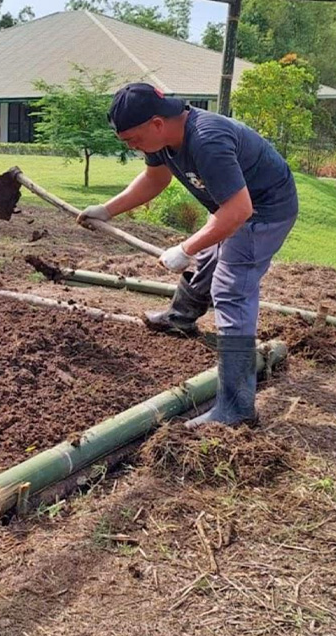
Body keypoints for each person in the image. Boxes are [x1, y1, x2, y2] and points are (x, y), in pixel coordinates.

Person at [77, 83, 298, 427]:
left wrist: (185, 248)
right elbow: (155, 180)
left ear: (156, 123)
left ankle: (237, 408)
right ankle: (180, 317)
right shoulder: (164, 139)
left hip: (264, 211)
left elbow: (239, 211)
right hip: (232, 207)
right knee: (210, 255)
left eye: (133, 140)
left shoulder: (207, 139)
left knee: (231, 289)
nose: (134, 148)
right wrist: (107, 210)